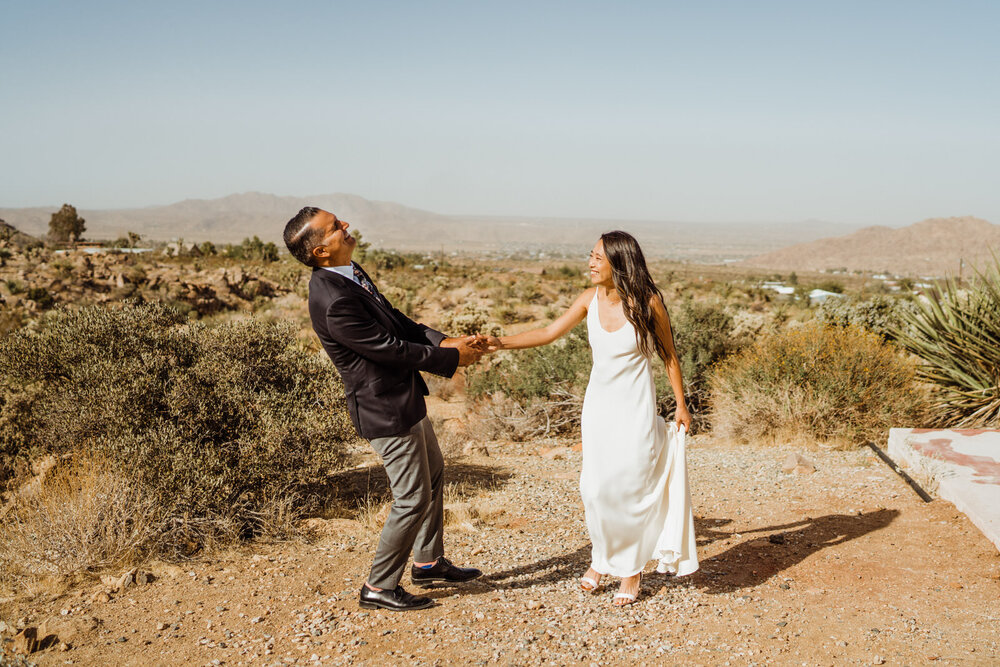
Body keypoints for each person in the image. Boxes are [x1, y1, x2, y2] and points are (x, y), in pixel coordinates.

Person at [283, 207, 488, 612]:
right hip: (385, 410)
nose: (346, 226)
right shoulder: (333, 299)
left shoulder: (350, 273)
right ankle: (379, 586)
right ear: (320, 251)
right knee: (411, 497)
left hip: (403, 398)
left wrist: (446, 341)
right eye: (335, 227)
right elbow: (388, 350)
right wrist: (450, 360)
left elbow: (397, 322)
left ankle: (428, 562)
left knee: (433, 474)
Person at [490, 231, 698, 606]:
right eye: (591, 255)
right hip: (598, 411)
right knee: (596, 490)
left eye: (598, 258)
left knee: (629, 491)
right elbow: (549, 332)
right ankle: (601, 559)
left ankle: (631, 570)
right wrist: (498, 342)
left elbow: (669, 356)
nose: (590, 262)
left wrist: (681, 405)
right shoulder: (588, 300)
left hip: (635, 412)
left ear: (619, 262)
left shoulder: (648, 303)